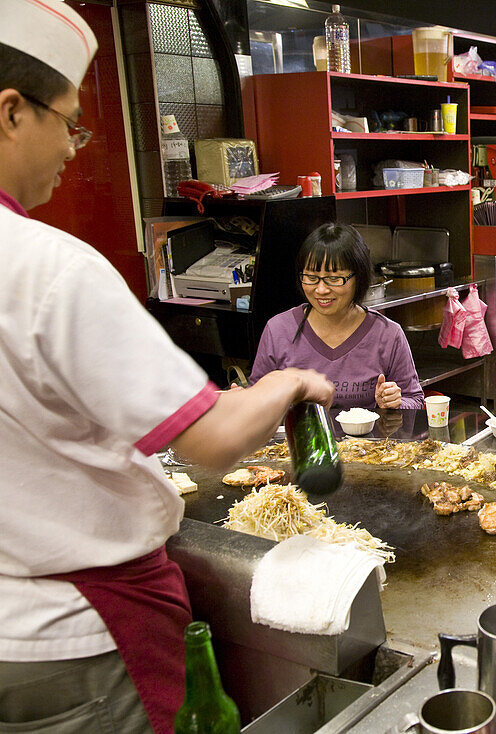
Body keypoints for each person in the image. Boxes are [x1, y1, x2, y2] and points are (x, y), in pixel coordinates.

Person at [0, 5, 334, 732]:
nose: (73, 148)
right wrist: (288, 382)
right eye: (69, 121)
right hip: (77, 634)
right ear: (11, 112)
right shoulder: (44, 267)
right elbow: (210, 439)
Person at [250, 223, 424, 412]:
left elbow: (414, 399)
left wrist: (394, 402)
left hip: (367, 441)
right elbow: (256, 398)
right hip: (297, 441)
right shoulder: (278, 330)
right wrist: (242, 400)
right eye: (311, 277)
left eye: (334, 279)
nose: (321, 290)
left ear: (359, 277)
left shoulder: (388, 334)